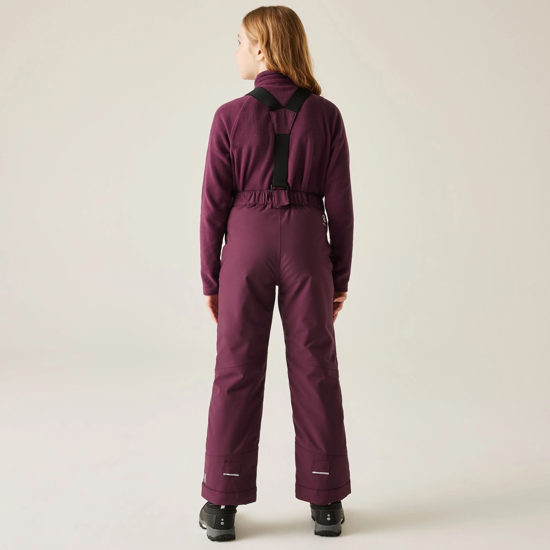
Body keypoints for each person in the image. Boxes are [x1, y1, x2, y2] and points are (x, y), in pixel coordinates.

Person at [198, 6, 354, 541]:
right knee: (315, 367)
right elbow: (342, 207)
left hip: (246, 244)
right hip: (308, 243)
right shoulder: (326, 115)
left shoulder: (229, 116)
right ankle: (326, 500)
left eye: (241, 41)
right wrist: (339, 276)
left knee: (236, 368)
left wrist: (211, 278)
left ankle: (222, 503)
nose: (236, 51)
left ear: (262, 47)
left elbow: (212, 206)